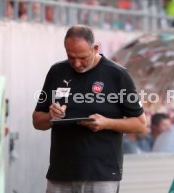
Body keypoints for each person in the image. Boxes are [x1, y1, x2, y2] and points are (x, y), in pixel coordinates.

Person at [32, 25, 147, 193]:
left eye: (83, 57)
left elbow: (140, 124)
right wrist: (51, 115)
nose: (77, 64)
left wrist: (106, 123)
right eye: (71, 57)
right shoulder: (57, 72)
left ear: (95, 48)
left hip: (101, 174)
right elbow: (36, 121)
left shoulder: (117, 75)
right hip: (61, 174)